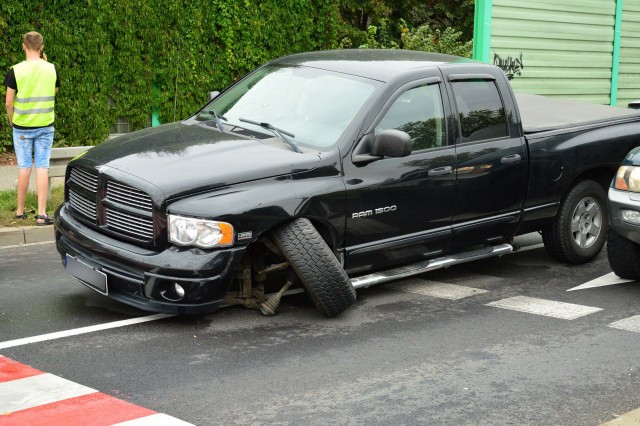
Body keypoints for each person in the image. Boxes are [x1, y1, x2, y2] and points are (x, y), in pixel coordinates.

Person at [4, 31, 60, 226]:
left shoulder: (15, 70)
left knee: (24, 167)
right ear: (42, 46)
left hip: (22, 126)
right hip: (45, 124)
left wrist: (12, 121)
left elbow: (8, 103)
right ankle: (42, 214)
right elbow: (54, 91)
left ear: (23, 46)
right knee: (42, 166)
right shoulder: (51, 69)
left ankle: (20, 212)